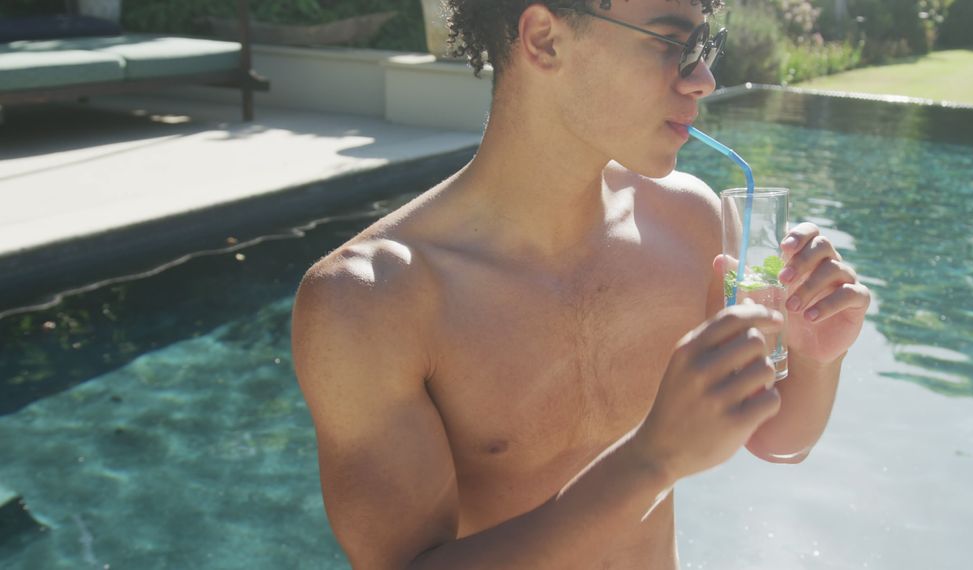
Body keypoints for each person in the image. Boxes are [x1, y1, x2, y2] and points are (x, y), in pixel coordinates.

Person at [290, 0, 870, 568]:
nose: (704, 80)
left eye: (705, 46)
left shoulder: (685, 221)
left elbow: (777, 439)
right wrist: (651, 460)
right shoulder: (370, 300)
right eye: (675, 43)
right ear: (545, 39)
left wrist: (817, 358)